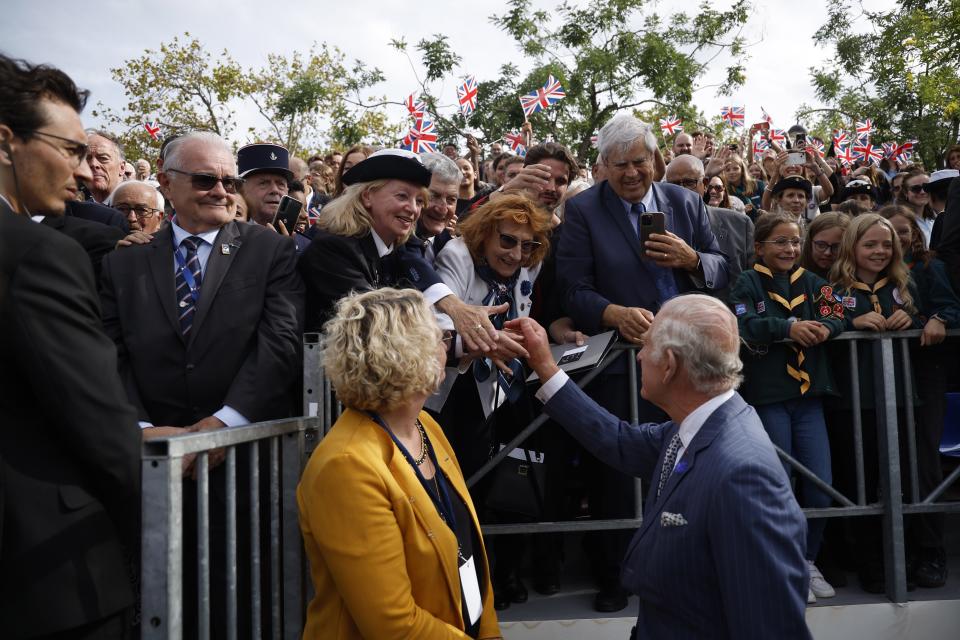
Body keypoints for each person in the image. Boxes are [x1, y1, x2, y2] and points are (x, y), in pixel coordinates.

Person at [99, 131, 305, 636]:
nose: (221, 190)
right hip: (150, 464)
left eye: (228, 180)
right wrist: (144, 430)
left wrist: (222, 425)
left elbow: (279, 343)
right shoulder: (122, 262)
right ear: (167, 184)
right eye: (205, 179)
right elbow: (110, 352)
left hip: (242, 460)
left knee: (241, 604)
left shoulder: (269, 252)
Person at [508, 295, 810, 639]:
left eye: (646, 346)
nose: (637, 355)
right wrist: (546, 367)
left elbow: (770, 628)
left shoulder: (742, 476)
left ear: (668, 365)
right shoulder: (696, 425)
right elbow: (618, 441)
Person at [557, 113, 727, 611]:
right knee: (618, 470)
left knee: (692, 465)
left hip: (692, 364)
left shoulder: (686, 202)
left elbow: (723, 268)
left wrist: (691, 259)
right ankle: (616, 572)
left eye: (639, 162)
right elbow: (571, 287)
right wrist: (611, 312)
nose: (632, 174)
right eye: (619, 165)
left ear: (654, 158)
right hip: (623, 364)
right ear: (603, 167)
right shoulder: (585, 211)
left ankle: (688, 567)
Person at [0, 52, 141, 640]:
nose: (84, 174)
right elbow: (100, 426)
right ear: (7, 142)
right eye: (71, 150)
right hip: (51, 580)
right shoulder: (39, 256)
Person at [298, 288, 501, 639]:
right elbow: (393, 625)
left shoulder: (426, 427)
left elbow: (469, 555)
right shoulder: (347, 466)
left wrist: (490, 632)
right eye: (441, 336)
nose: (448, 346)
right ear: (407, 356)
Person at [431, 194, 553, 609]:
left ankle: (488, 587)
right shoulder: (457, 256)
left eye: (528, 245)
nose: (517, 253)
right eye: (507, 240)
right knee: (452, 501)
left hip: (497, 392)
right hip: (447, 394)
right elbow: (443, 328)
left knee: (489, 494)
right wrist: (486, 342)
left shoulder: (524, 265)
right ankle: (458, 600)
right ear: (483, 234)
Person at [298, 149, 521, 359]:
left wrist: (480, 340)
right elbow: (380, 329)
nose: (414, 209)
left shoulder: (390, 251)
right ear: (367, 197)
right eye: (403, 196)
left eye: (419, 200)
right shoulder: (335, 249)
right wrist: (466, 331)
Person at [729, 212, 845, 603]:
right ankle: (783, 563)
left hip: (809, 399)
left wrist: (827, 327)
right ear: (760, 247)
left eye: (795, 241)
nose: (790, 249)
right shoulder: (746, 282)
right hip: (769, 398)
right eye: (780, 241)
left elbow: (837, 312)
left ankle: (807, 559)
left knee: (819, 487)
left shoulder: (814, 282)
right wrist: (787, 328)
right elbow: (742, 324)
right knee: (780, 485)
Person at [827, 213, 922, 593]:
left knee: (900, 483)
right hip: (854, 403)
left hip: (898, 397)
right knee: (860, 484)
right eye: (870, 244)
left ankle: (905, 559)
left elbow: (935, 313)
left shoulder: (904, 285)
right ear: (853, 247)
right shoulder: (832, 290)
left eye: (886, 245)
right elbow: (826, 324)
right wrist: (852, 324)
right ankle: (871, 565)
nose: (880, 251)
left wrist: (917, 317)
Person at [880, 204, 960, 588]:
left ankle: (931, 549)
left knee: (924, 458)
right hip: (880, 375)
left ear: (916, 233)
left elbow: (950, 306)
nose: (897, 239)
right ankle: (899, 547)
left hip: (925, 373)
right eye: (888, 232)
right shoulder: (872, 271)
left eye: (904, 231)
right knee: (885, 463)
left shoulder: (931, 267)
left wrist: (938, 318)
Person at [665, 154, 754, 302]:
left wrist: (696, 262)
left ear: (705, 184)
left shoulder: (740, 225)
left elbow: (753, 283)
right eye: (673, 185)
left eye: (689, 183)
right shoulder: (658, 229)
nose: (680, 191)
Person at [237, 142, 293, 227]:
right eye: (264, 183)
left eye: (280, 184)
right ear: (241, 189)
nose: (274, 190)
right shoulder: (224, 236)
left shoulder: (300, 239)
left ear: (287, 190)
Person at [799, 212, 850, 279]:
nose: (827, 253)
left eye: (836, 247)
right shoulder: (793, 274)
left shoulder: (856, 281)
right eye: (821, 245)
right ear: (810, 242)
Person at [84, 129, 125, 203]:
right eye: (87, 159)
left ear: (122, 168)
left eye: (103, 158)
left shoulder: (139, 210)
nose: (93, 164)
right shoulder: (75, 212)